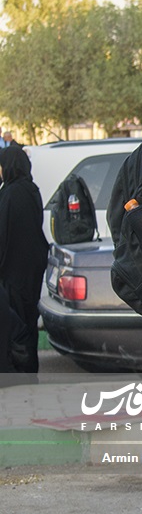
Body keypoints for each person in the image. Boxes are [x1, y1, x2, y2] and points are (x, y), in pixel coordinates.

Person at [0, 146, 49, 374]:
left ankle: (19, 370)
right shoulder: (31, 190)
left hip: (13, 271)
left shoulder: (10, 194)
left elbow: (4, 235)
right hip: (31, 269)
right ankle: (30, 368)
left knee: (15, 323)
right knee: (28, 321)